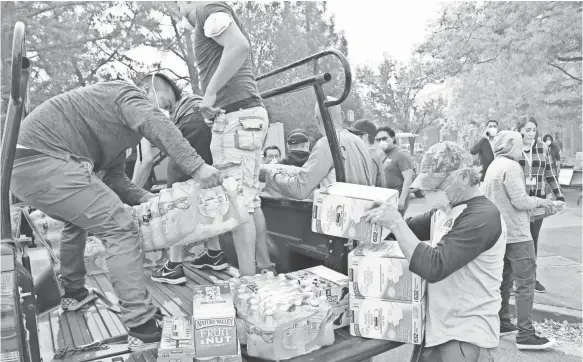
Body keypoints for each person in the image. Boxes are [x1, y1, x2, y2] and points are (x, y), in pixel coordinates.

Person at [10, 74, 222, 350]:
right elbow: (154, 122)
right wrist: (197, 166)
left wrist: (150, 199)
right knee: (120, 227)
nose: (164, 111)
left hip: (24, 169)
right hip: (42, 158)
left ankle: (73, 291)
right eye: (164, 102)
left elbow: (114, 179)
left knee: (79, 220)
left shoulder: (119, 136)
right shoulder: (124, 93)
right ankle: (143, 325)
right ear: (146, 90)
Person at [365, 141, 506, 362]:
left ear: (463, 177)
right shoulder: (445, 211)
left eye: (436, 186)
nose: (429, 192)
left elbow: (434, 265)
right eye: (427, 187)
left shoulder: (483, 217)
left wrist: (395, 223)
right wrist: (380, 216)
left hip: (465, 337)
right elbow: (406, 229)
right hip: (436, 330)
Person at [178, 1, 274, 276]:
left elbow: (239, 46)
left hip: (235, 118)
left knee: (237, 205)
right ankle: (264, 269)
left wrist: (209, 94)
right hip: (246, 116)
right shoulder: (212, 14)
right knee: (250, 201)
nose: (180, 14)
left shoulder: (206, 9)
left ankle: (248, 284)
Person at [483, 131, 561, 350]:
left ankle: (502, 322)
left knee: (504, 281)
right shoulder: (511, 167)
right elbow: (520, 201)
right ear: (509, 146)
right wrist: (546, 203)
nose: (524, 148)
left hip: (500, 233)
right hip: (518, 234)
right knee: (525, 284)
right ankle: (526, 334)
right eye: (520, 144)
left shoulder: (493, 167)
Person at [143, 93, 228, 285]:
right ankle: (215, 253)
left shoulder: (157, 109)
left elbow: (146, 160)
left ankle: (173, 266)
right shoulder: (190, 100)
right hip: (208, 127)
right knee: (206, 192)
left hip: (190, 126)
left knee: (175, 198)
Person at [261, 98, 374, 199]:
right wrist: (278, 168)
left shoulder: (328, 143)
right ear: (343, 116)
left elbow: (300, 189)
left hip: (335, 214)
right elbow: (312, 174)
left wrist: (270, 176)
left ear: (316, 119)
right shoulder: (359, 142)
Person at [516, 116, 565, 293]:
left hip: (538, 201)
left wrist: (560, 197)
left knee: (532, 239)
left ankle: (531, 278)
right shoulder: (514, 147)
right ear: (519, 130)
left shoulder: (542, 148)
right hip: (518, 202)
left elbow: (550, 174)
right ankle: (514, 280)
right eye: (527, 129)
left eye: (534, 129)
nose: (531, 133)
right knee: (517, 241)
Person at [376, 126, 415, 215]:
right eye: (378, 140)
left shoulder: (401, 155)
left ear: (393, 138)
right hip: (384, 199)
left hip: (396, 199)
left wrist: (402, 199)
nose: (381, 142)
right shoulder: (381, 155)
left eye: (384, 138)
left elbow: (408, 179)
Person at [348, 119, 387, 188]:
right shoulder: (368, 155)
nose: (351, 137)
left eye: (354, 134)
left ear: (364, 136)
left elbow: (368, 189)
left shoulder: (369, 158)